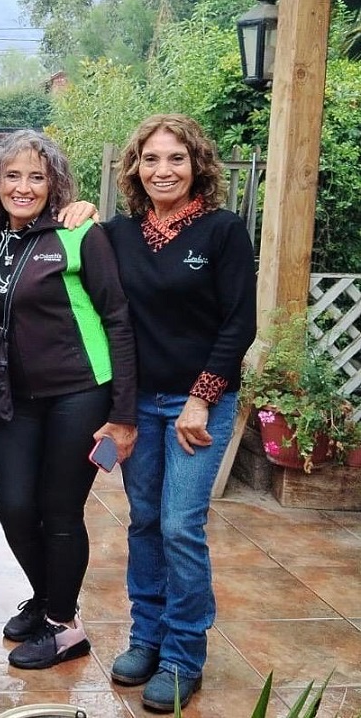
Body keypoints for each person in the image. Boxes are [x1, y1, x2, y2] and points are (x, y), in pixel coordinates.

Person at [104, 114, 256, 712]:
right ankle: (147, 637)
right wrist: (78, 211)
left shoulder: (222, 231)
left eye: (176, 158)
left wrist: (202, 396)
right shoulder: (120, 234)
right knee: (143, 520)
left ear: (197, 166)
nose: (162, 170)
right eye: (151, 159)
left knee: (179, 526)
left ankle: (183, 656)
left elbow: (239, 323)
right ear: (135, 168)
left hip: (201, 405)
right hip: (139, 405)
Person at [0, 130, 137, 670]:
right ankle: (47, 600)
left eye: (36, 177)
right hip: (16, 396)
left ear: (54, 184)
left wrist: (123, 413)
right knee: (14, 506)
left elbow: (117, 319)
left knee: (59, 510)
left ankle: (65, 627)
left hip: (80, 392)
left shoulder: (79, 233)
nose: (23, 187)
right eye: (12, 175)